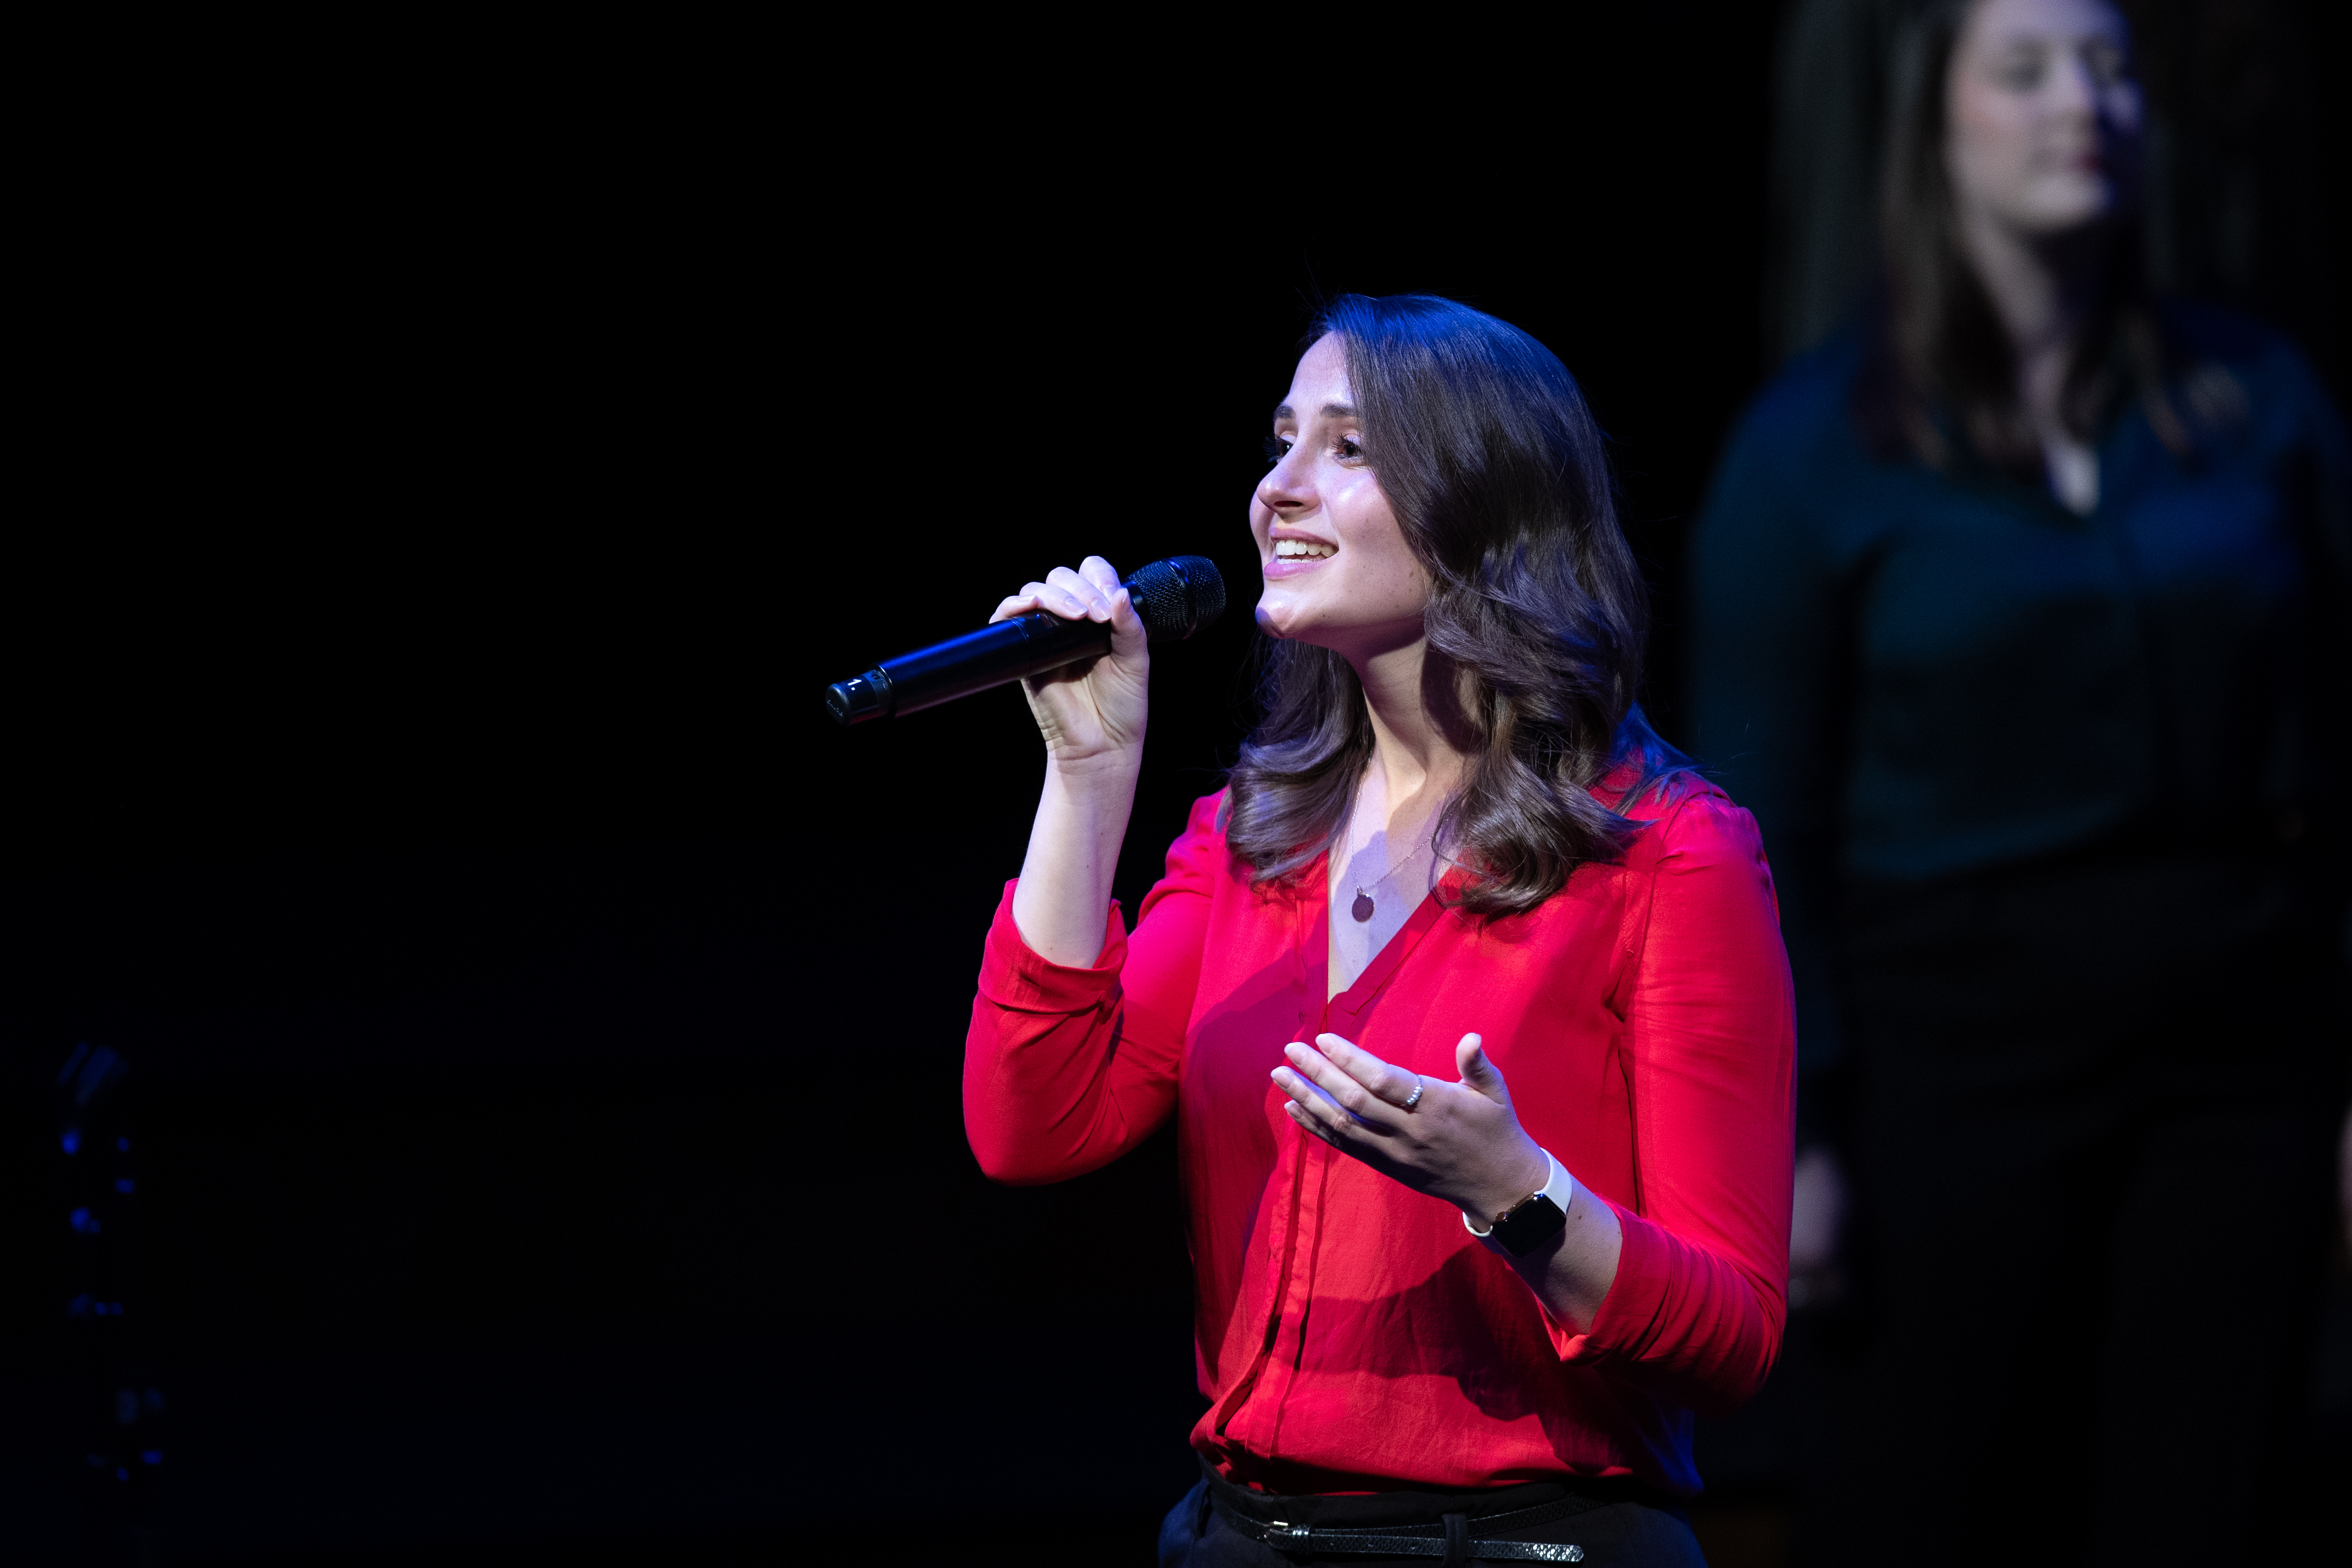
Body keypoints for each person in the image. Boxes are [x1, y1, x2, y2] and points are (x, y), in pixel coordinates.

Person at [964, 294, 1796, 1566]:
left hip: (1525, 1547)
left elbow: (1731, 1332)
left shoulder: (1664, 854)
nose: (1276, 490)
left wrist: (1516, 1193)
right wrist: (1086, 778)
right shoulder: (1255, 832)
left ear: (1487, 505)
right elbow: (1036, 1125)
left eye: (1346, 450)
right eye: (1280, 439)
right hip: (1242, 1537)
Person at [1686, 1, 2349, 1562]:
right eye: (2030, 68)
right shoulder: (1813, 454)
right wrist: (1800, 1132)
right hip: (1945, 1062)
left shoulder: (2253, 402)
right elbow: (1749, 828)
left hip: (2227, 1054)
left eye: (2111, 68)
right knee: (1938, 1497)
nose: (2086, 104)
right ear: (1935, 120)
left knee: (2208, 1501)